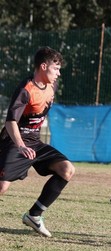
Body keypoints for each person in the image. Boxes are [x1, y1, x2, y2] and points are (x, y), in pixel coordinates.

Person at [0, 46, 75, 237]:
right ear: (43, 66)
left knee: (67, 169)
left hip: (34, 142)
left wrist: (28, 144)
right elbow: (10, 122)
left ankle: (34, 215)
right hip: (14, 141)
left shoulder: (52, 86)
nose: (58, 73)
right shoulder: (26, 89)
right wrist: (21, 146)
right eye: (56, 68)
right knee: (2, 187)